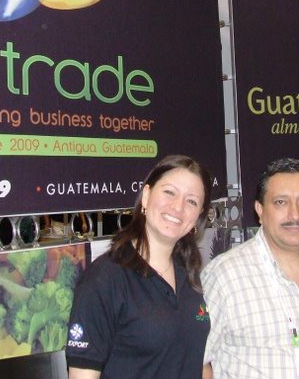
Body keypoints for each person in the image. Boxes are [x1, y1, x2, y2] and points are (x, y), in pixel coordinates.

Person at [202, 157, 299, 379]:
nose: (295, 215)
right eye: (281, 202)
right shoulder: (224, 276)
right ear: (260, 210)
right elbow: (197, 360)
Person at [65, 155, 213, 379]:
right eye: (169, 192)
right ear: (146, 196)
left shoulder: (189, 275)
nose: (178, 207)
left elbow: (199, 363)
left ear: (199, 215)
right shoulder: (105, 279)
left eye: (191, 201)